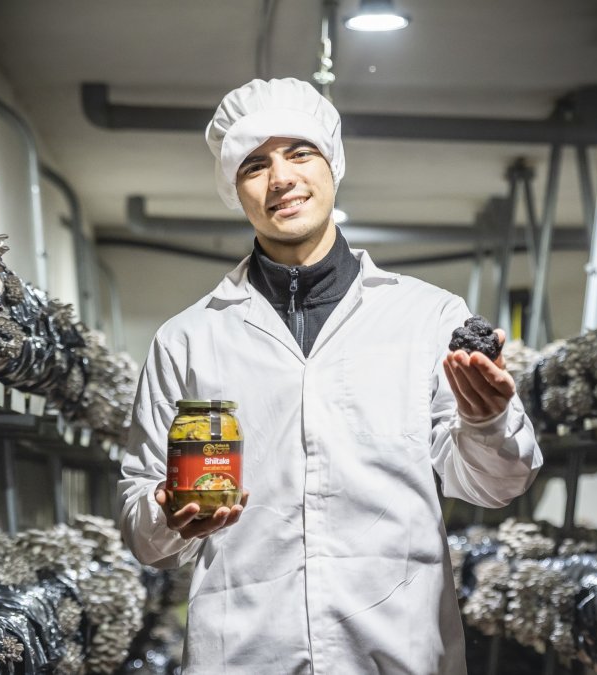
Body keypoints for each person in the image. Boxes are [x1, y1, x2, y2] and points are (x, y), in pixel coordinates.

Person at [118, 77, 542, 674]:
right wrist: (167, 513)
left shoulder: (426, 317)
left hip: (398, 649)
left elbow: (498, 484)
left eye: (300, 153)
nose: (281, 178)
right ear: (233, 189)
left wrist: (486, 420)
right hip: (244, 653)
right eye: (255, 164)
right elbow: (142, 528)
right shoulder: (188, 339)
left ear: (333, 164)